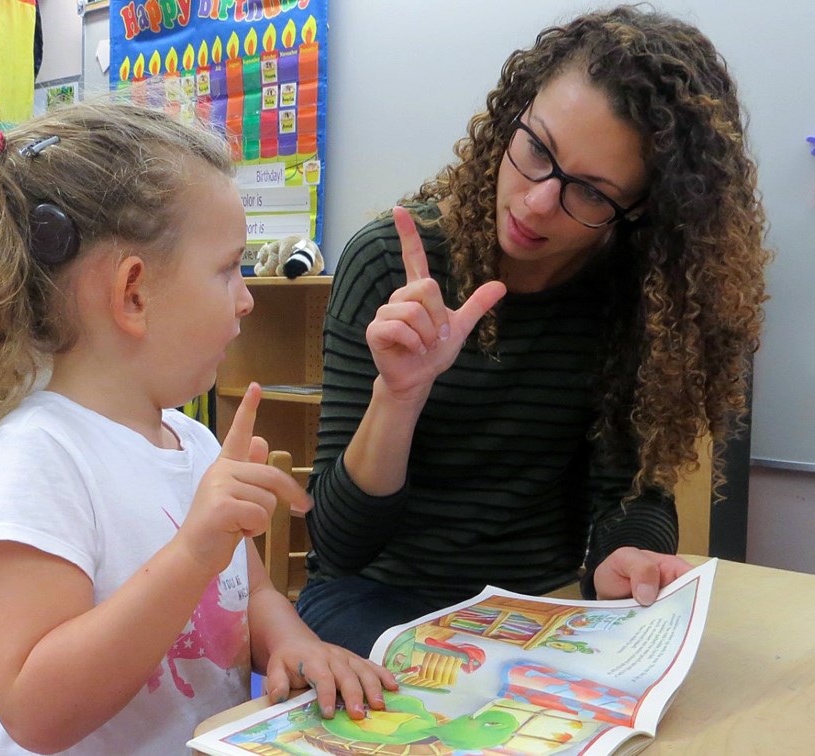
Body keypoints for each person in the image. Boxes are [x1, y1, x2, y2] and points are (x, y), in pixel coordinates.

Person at [0, 100, 396, 755]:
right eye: (227, 268)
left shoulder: (194, 440)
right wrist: (192, 552)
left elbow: (248, 591)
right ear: (132, 294)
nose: (246, 298)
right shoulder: (34, 459)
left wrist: (294, 642)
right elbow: (35, 712)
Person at [296, 5, 771, 657]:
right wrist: (398, 397)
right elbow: (339, 543)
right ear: (511, 117)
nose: (537, 201)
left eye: (591, 193)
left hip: (532, 611)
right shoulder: (391, 262)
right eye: (537, 151)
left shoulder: (635, 298)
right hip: (371, 605)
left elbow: (630, 492)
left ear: (639, 212)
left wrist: (630, 557)